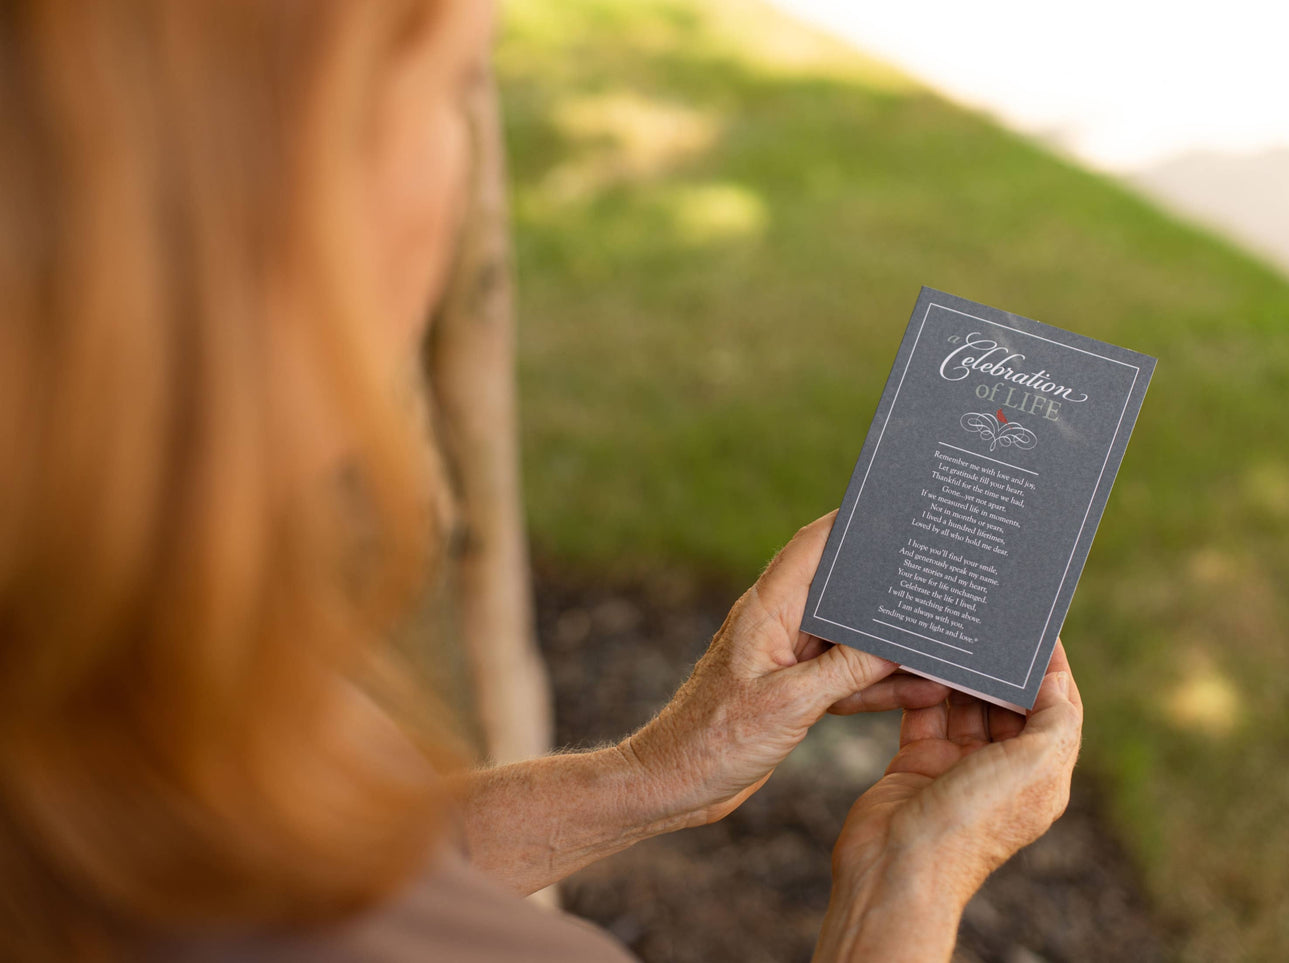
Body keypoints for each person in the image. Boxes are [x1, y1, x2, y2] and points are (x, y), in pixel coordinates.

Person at [0, 1, 1083, 960]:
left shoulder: (90, 661)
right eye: (443, 93)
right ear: (268, 202)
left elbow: (281, 864)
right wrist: (902, 891)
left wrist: (654, 774)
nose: (459, 162)